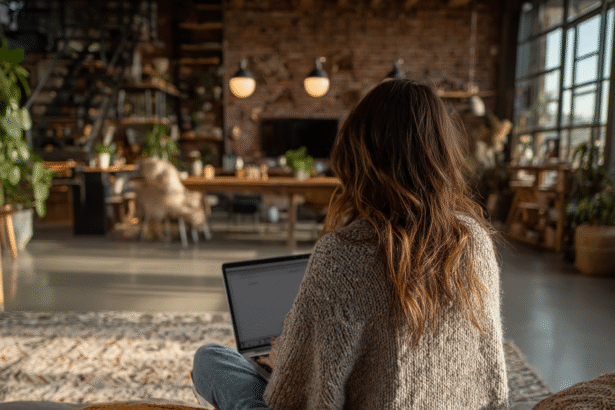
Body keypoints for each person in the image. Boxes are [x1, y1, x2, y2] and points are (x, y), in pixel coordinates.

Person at [192, 79, 508, 410]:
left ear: (358, 154)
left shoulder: (344, 253)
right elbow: (490, 377)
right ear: (444, 154)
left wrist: (284, 357)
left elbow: (300, 396)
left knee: (212, 360)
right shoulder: (475, 240)